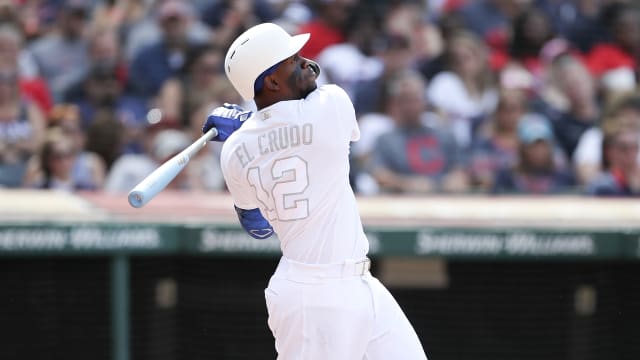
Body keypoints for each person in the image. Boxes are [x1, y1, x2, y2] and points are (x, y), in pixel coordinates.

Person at [201, 23, 428, 359]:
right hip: (315, 298)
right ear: (272, 82)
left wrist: (247, 125)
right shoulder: (333, 104)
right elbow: (295, 122)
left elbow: (257, 226)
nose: (307, 62)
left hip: (357, 283)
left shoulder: (234, 151)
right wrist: (249, 120)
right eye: (293, 60)